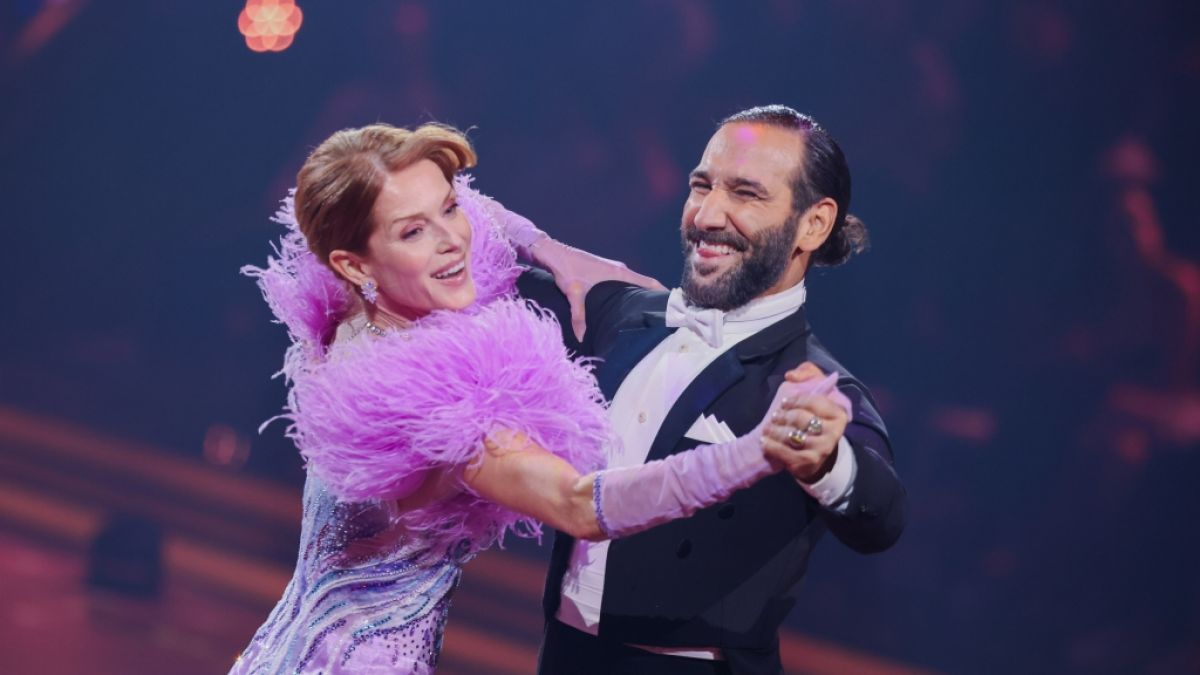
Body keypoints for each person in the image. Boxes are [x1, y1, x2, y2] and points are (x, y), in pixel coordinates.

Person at [229, 122, 842, 675]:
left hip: (283, 650)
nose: (453, 240)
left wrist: (549, 248)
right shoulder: (425, 396)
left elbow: (467, 206)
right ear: (354, 261)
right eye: (415, 231)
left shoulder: (349, 309)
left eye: (448, 210)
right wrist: (758, 452)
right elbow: (579, 505)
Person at [515, 105, 909, 674]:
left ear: (813, 224)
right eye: (701, 185)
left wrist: (828, 460)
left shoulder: (810, 382)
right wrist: (538, 243)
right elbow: (451, 252)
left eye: (746, 194)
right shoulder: (617, 312)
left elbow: (883, 515)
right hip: (563, 656)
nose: (708, 213)